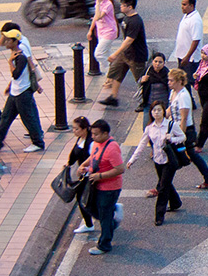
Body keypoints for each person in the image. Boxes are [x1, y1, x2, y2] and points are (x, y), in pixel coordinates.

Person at [127, 102, 186, 225]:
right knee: (166, 183)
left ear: (164, 111)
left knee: (163, 187)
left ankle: (159, 215)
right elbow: (142, 145)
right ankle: (176, 202)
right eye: (154, 110)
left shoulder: (171, 125)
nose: (156, 112)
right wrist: (132, 160)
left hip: (170, 160)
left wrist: (172, 138)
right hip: (158, 160)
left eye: (159, 110)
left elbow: (183, 137)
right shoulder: (150, 128)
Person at [0, 29, 45, 153]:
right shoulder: (15, 53)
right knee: (6, 117)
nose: (6, 42)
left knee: (28, 118)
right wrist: (10, 86)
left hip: (22, 93)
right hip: (15, 91)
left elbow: (16, 74)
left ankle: (38, 143)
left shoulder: (20, 57)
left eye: (9, 40)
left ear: (15, 42)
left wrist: (10, 62)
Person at [167, 69, 208, 188]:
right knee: (190, 155)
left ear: (179, 81)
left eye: (171, 80)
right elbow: (170, 110)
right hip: (175, 129)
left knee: (176, 157)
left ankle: (163, 185)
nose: (169, 82)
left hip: (185, 130)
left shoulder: (183, 96)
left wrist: (181, 136)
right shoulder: (173, 93)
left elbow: (184, 118)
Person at [83, 119, 124, 255]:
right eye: (92, 134)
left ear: (105, 133)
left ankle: (104, 244)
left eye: (96, 134)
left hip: (109, 188)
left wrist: (100, 176)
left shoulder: (112, 148)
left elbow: (119, 169)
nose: (93, 137)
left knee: (104, 215)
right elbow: (93, 156)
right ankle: (112, 217)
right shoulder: (96, 143)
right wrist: (84, 165)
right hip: (96, 185)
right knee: (90, 207)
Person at [98, 0, 147, 107]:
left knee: (141, 80)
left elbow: (129, 40)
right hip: (125, 54)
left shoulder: (135, 21)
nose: (121, 7)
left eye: (123, 5)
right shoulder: (126, 18)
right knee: (116, 73)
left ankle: (146, 101)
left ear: (130, 7)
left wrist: (115, 53)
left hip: (136, 56)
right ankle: (113, 97)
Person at [67, 117, 96, 233]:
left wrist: (84, 167)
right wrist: (69, 164)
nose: (74, 131)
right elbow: (74, 153)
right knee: (87, 199)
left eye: (76, 129)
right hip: (83, 175)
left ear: (85, 129)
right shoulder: (80, 138)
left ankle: (89, 224)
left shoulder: (91, 142)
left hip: (90, 175)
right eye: (73, 128)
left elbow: (94, 157)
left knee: (81, 199)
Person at [172, 0, 203, 85]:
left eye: (184, 5)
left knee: (191, 81)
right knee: (183, 81)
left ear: (191, 6)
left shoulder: (195, 20)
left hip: (190, 59)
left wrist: (187, 56)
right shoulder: (187, 15)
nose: (182, 7)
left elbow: (196, 40)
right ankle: (189, 99)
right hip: (182, 55)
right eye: (182, 4)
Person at [89, 0, 119, 72]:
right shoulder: (99, 2)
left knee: (98, 54)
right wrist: (90, 30)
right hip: (101, 31)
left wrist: (98, 3)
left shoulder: (108, 4)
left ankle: (111, 70)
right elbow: (95, 17)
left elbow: (98, 16)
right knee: (106, 53)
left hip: (109, 31)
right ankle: (110, 74)